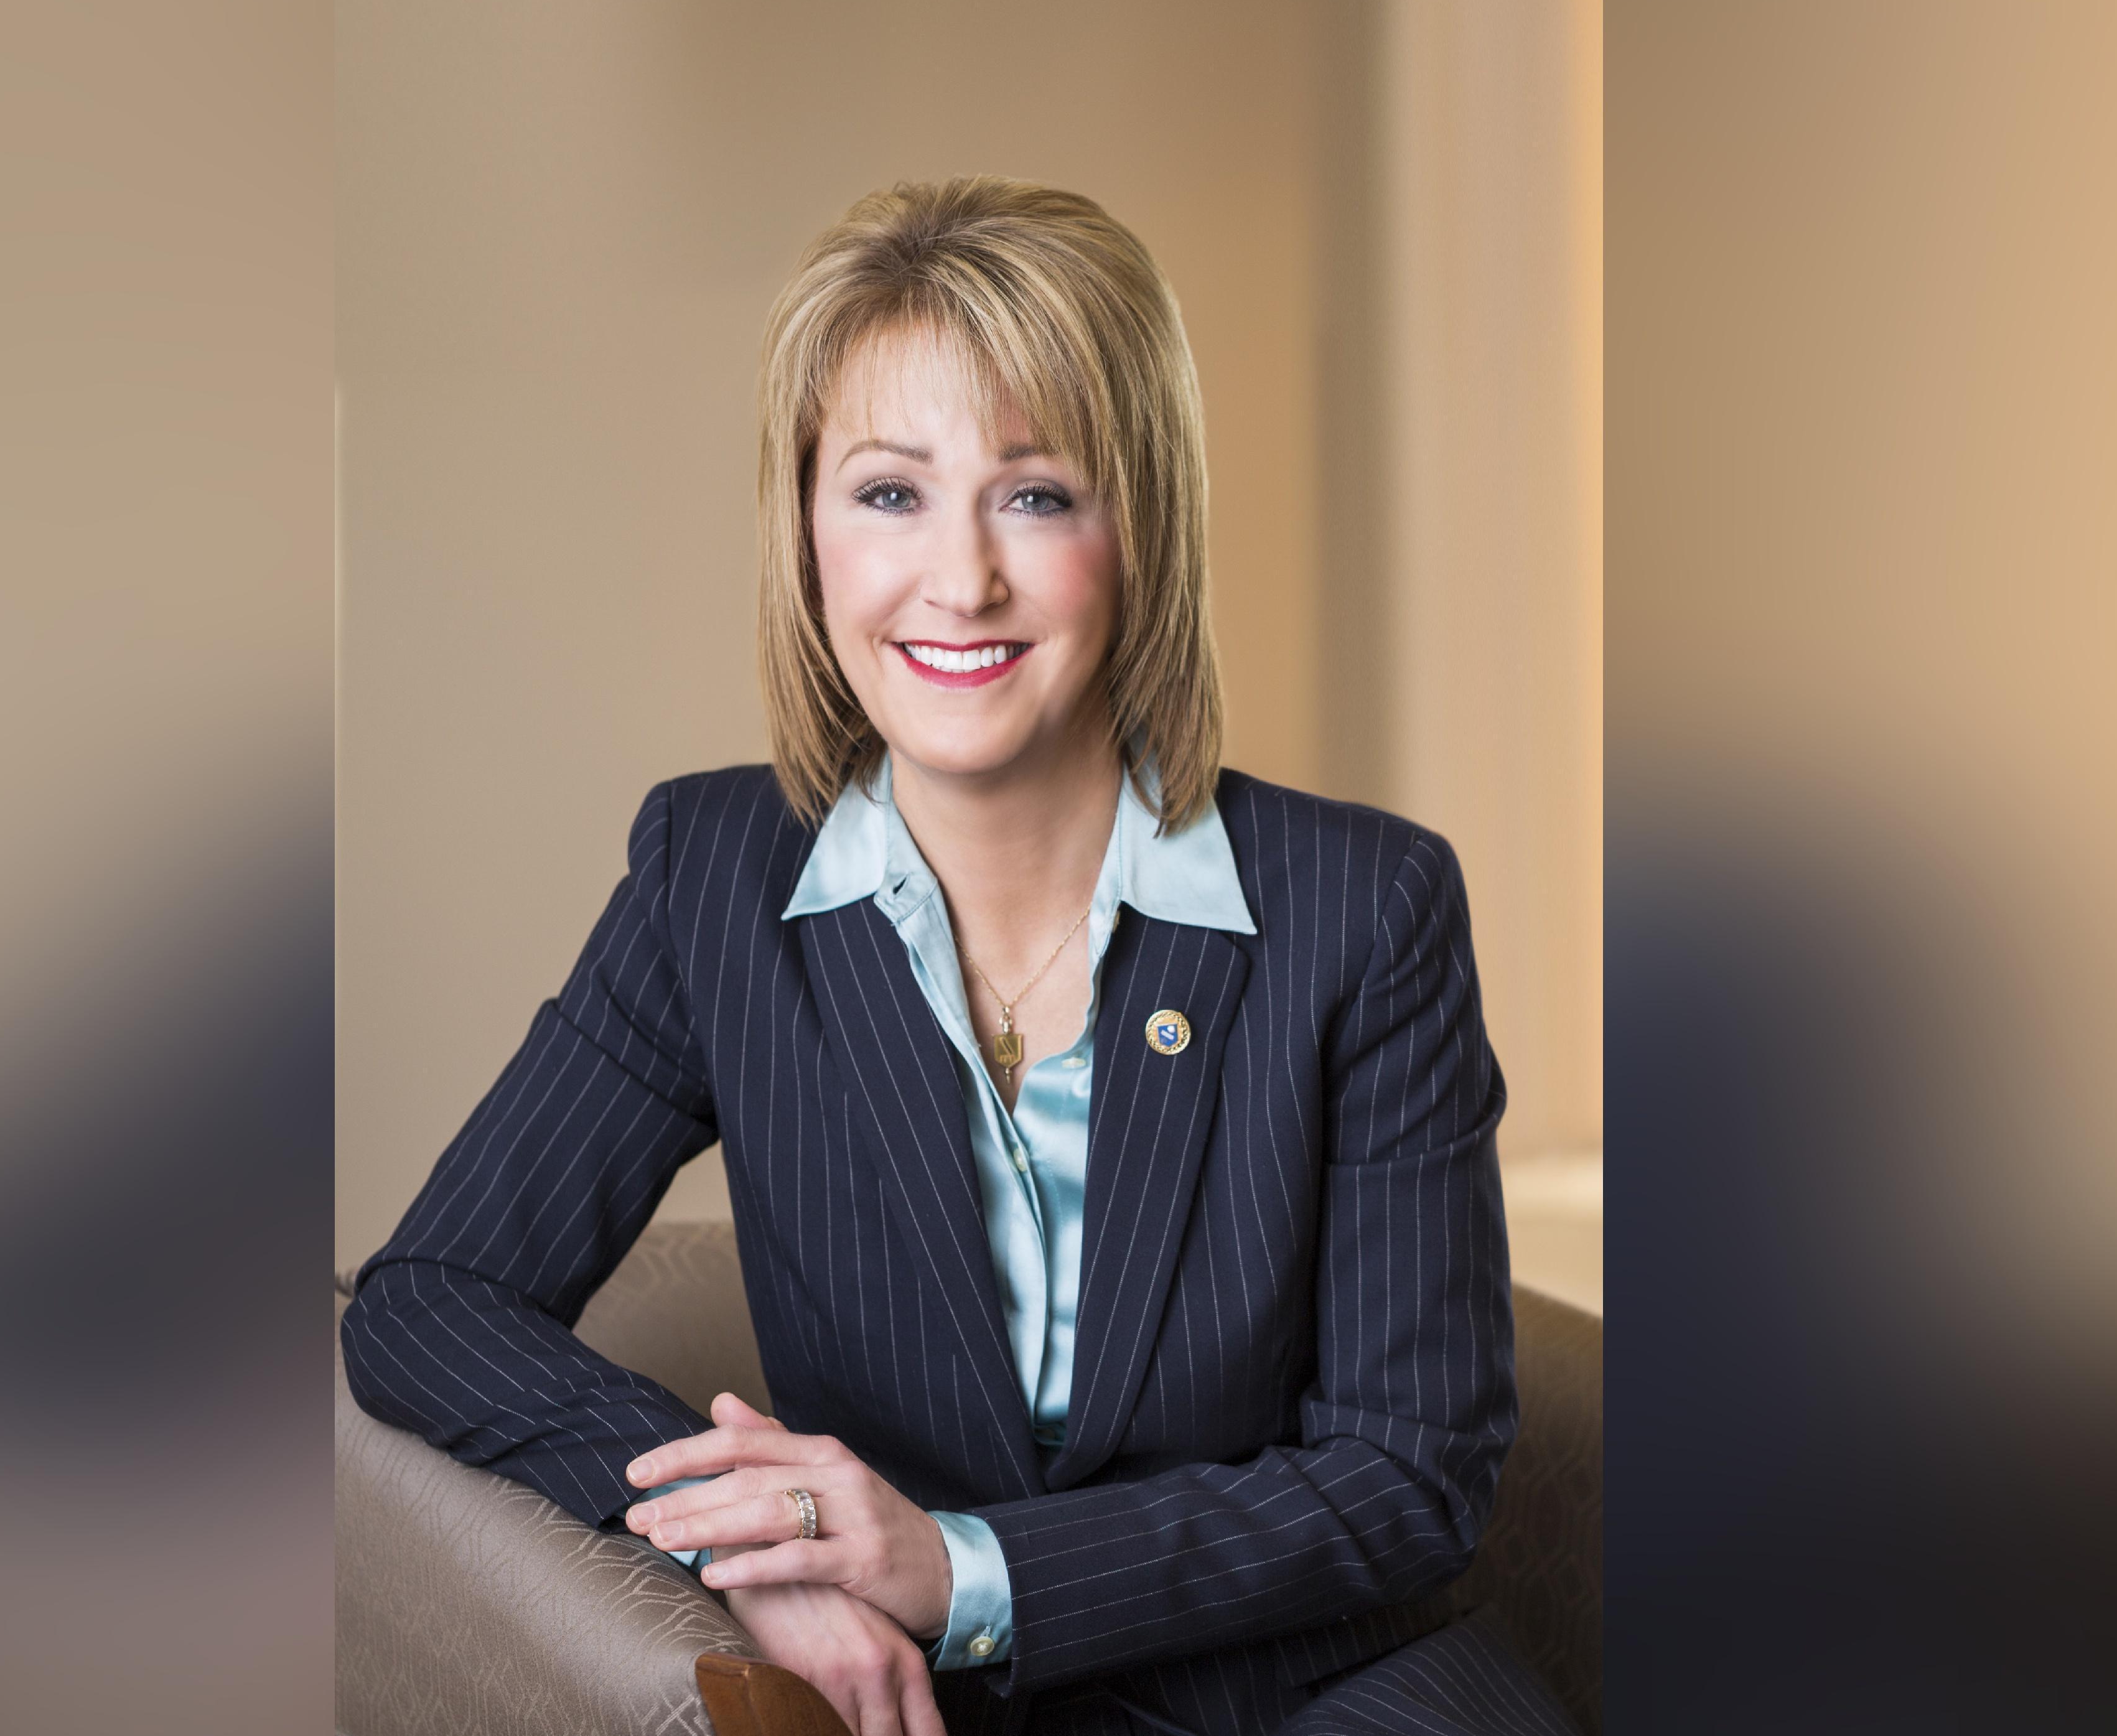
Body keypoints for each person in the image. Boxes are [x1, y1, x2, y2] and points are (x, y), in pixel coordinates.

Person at [342, 176, 1574, 1736]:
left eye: (1038, 494)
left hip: (1317, 1692)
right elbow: (426, 1298)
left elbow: (1410, 1475)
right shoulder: (710, 878)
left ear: (1144, 530)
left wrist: (961, 1566)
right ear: (806, 527)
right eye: (887, 492)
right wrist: (759, 1543)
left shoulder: (1366, 907)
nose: (961, 580)